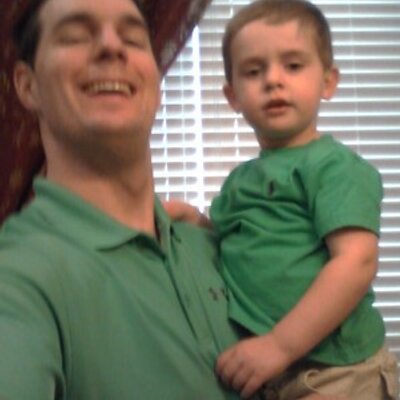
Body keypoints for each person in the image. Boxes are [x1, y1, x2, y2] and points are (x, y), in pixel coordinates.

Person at [0, 0, 246, 399]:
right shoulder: (17, 277)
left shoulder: (218, 244)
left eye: (133, 38)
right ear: (28, 86)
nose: (112, 46)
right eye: (76, 36)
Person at [164, 0, 399, 399]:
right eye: (253, 71)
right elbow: (232, 246)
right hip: (273, 376)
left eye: (292, 65)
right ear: (233, 96)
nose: (273, 80)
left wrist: (279, 345)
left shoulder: (335, 167)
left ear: (328, 82)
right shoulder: (240, 181)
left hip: (339, 372)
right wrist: (194, 221)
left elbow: (356, 261)